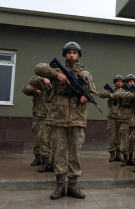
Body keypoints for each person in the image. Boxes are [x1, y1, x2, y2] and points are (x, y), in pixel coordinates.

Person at [35, 42, 97, 200]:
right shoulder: (55, 70)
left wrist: (86, 98)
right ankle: (60, 186)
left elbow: (93, 94)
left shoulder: (85, 73)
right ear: (64, 54)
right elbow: (38, 68)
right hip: (58, 117)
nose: (71, 55)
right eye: (68, 52)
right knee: (59, 152)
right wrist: (57, 76)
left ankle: (73, 185)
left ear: (79, 55)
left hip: (77, 119)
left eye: (74, 53)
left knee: (75, 153)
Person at [22, 77, 52, 170]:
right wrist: (37, 88)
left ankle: (46, 160)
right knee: (37, 138)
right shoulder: (39, 85)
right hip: (37, 116)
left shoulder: (52, 87)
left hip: (47, 117)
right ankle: (37, 157)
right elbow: (25, 89)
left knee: (45, 139)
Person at [111, 74, 135, 166]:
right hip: (124, 118)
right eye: (130, 81)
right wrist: (130, 95)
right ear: (127, 82)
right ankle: (125, 158)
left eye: (133, 81)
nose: (132, 83)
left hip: (133, 119)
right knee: (124, 139)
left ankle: (131, 158)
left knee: (132, 140)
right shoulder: (123, 90)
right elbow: (115, 94)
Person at [98, 75, 124, 162]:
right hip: (112, 116)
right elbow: (101, 93)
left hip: (121, 117)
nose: (119, 83)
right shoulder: (111, 91)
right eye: (118, 81)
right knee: (112, 135)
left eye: (121, 81)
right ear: (115, 82)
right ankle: (112, 154)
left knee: (120, 136)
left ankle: (118, 154)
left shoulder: (125, 91)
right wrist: (110, 95)